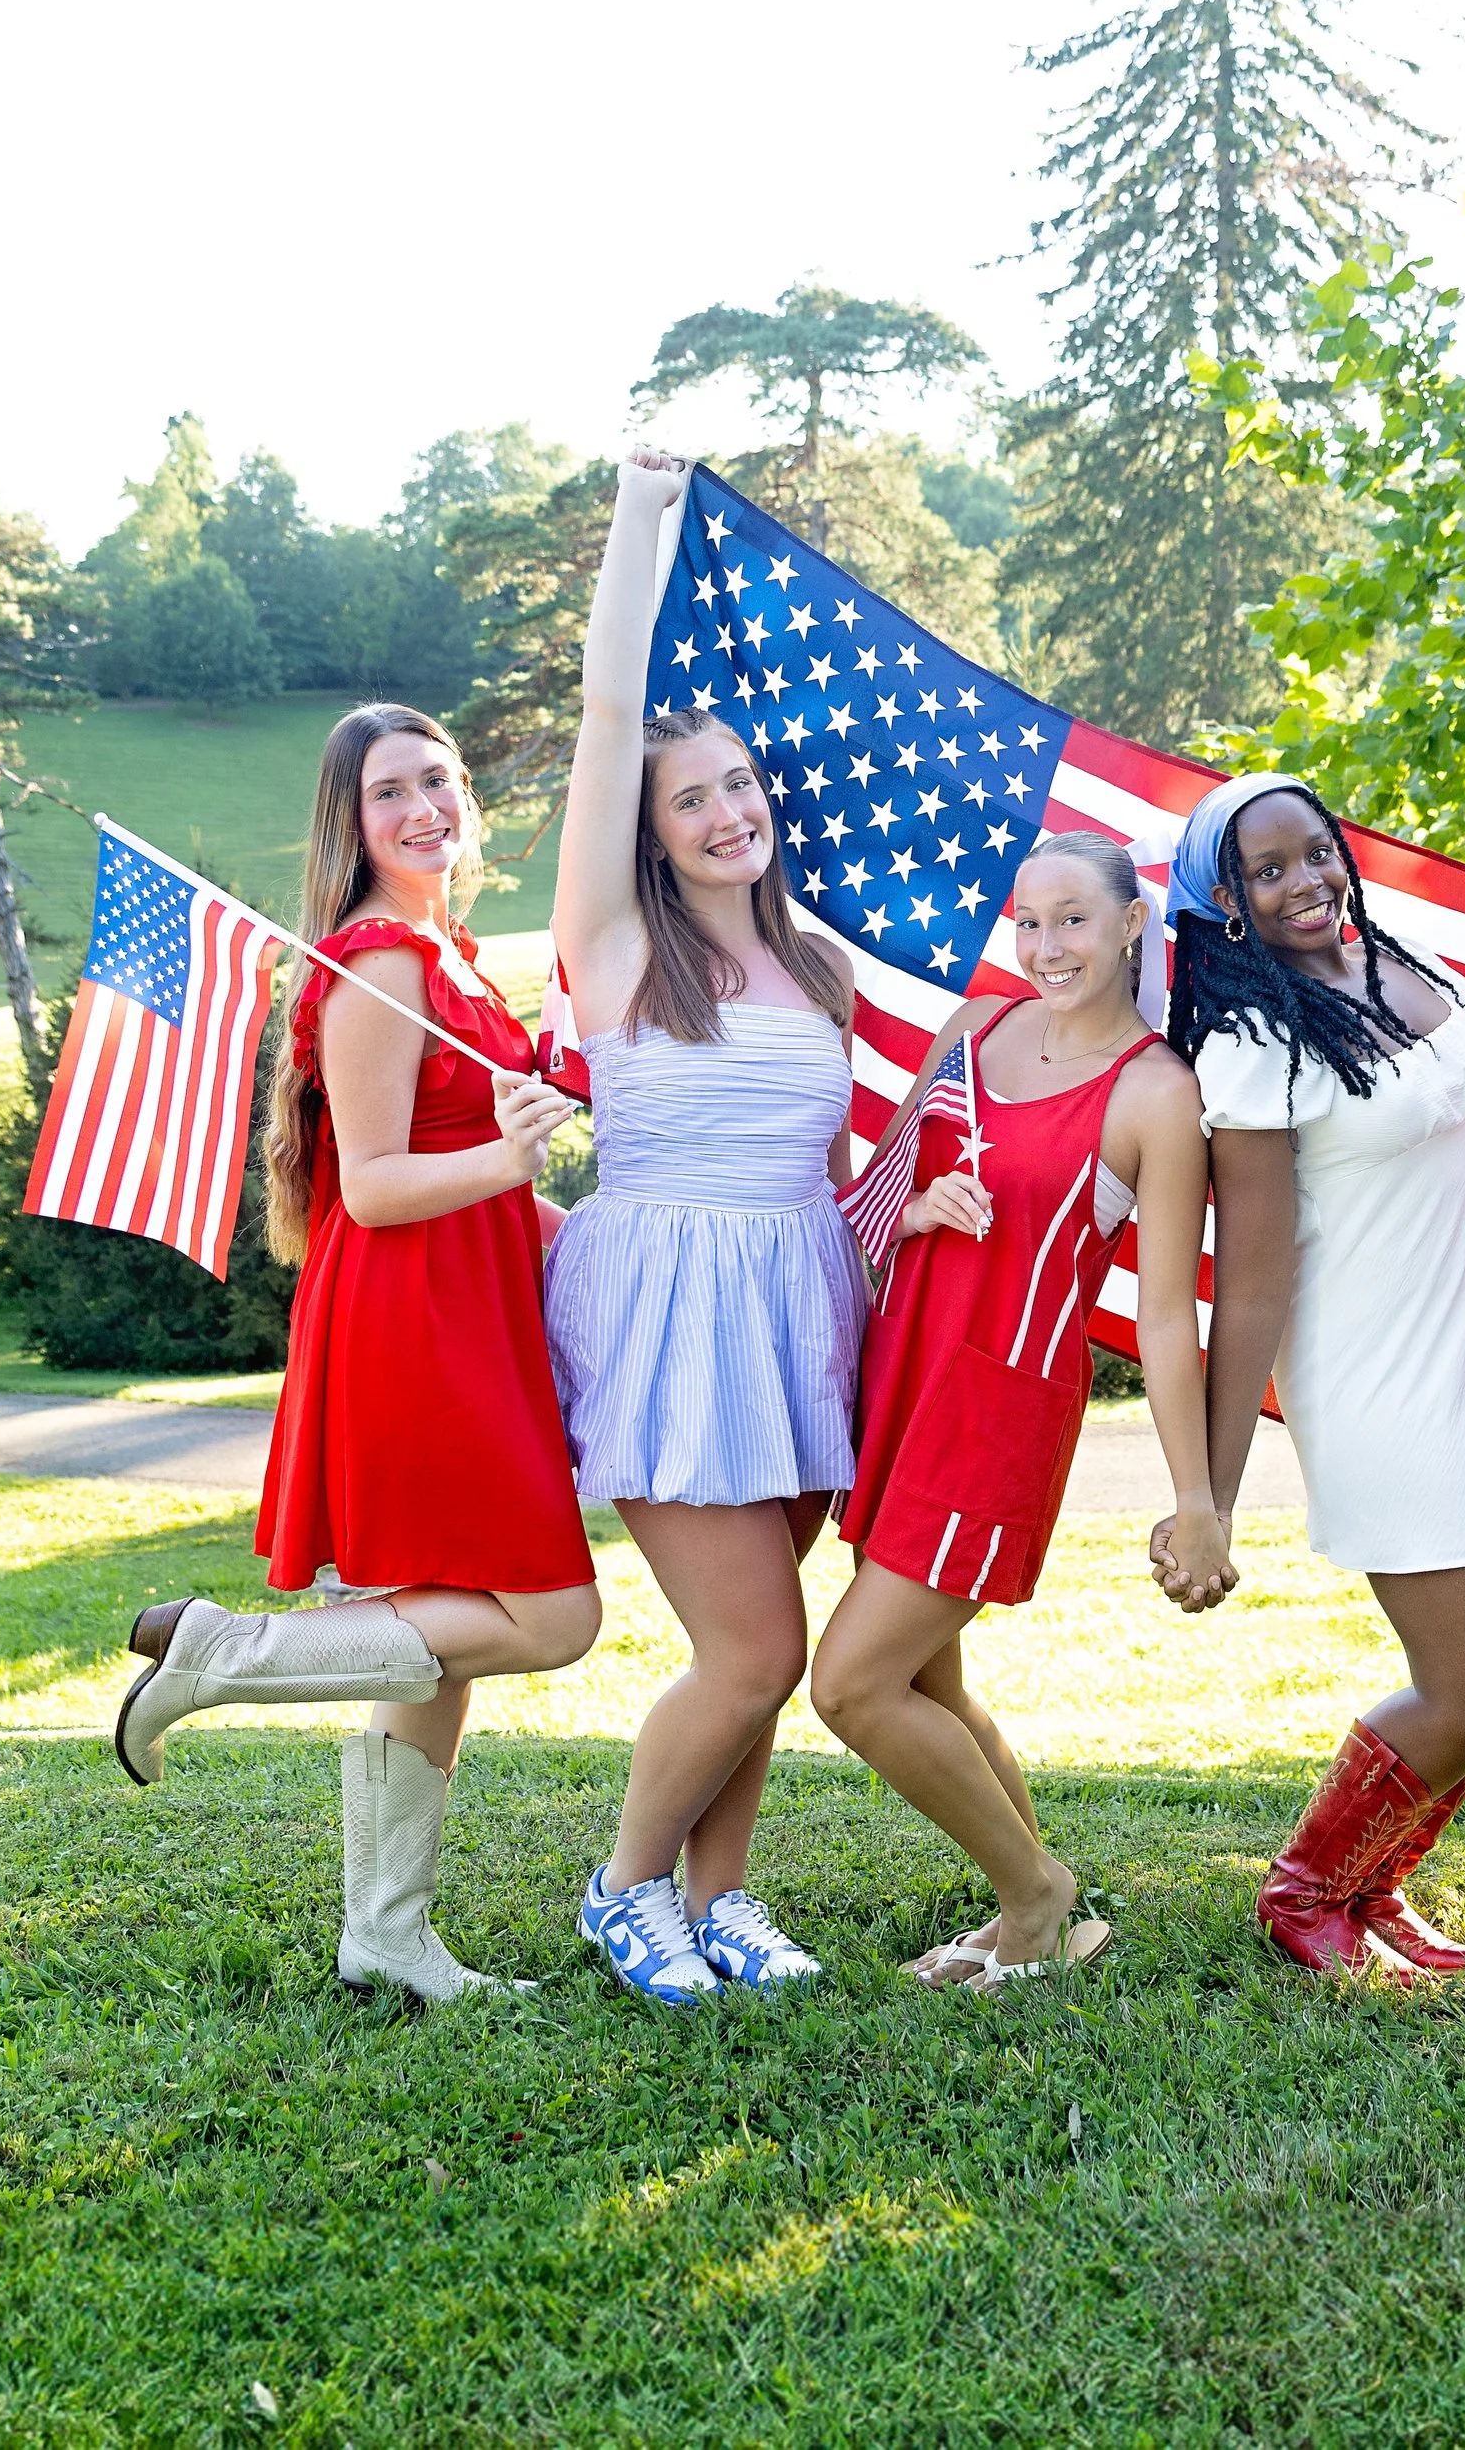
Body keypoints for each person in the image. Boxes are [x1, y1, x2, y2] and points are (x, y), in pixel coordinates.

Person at [115, 703, 600, 2007]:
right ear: (354, 821)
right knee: (554, 1618)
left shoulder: (451, 961)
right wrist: (515, 1156)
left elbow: (476, 1184)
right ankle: (223, 1653)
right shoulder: (384, 962)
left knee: (433, 1645)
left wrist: (583, 1222)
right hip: (416, 1328)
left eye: (440, 779)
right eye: (392, 791)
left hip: (464, 1313)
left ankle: (387, 1934)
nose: (426, 806)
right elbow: (378, 1185)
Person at [1168, 774, 1465, 1982]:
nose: (1303, 879)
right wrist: (1207, 1492)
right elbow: (1247, 1283)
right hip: (1378, 1381)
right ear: (1229, 904)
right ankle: (1304, 1890)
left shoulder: (1401, 970)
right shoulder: (1251, 1048)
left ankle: (1371, 1885)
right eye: (1267, 870)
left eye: (1314, 852)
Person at [542, 450, 866, 2007]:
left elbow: (838, 1163)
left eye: (739, 783)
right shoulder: (613, 954)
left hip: (800, 1298)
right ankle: (622, 1888)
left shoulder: (821, 971)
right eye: (693, 798)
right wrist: (640, 519)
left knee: (777, 1640)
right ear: (651, 832)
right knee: (753, 1650)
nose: (728, 809)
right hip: (668, 1303)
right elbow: (614, 713)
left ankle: (722, 1900)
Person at [810, 832, 1219, 1991]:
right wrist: (921, 1203)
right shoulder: (972, 1031)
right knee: (928, 1680)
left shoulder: (1156, 1091)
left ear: (1132, 925)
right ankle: (1037, 1909)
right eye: (1028, 921)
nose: (1046, 945)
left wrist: (1197, 1501)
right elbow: (875, 1192)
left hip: (997, 1411)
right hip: (900, 1382)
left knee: (852, 1683)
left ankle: (1037, 1894)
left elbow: (1164, 1321)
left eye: (1074, 920)